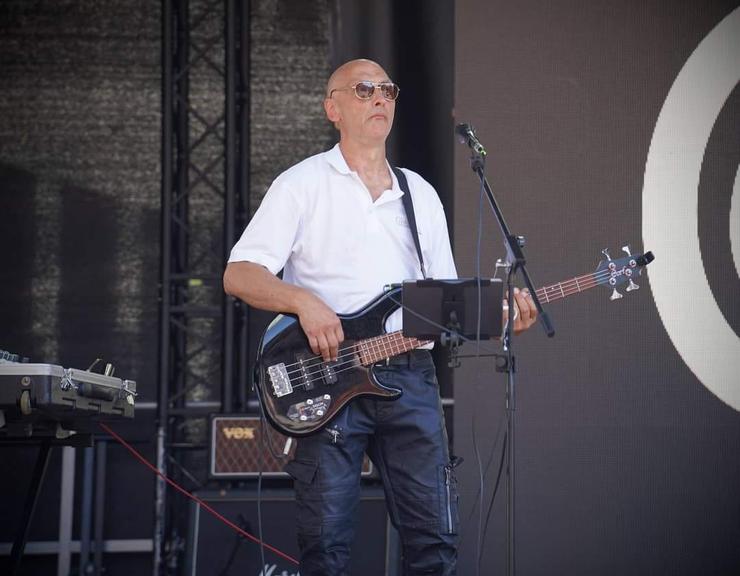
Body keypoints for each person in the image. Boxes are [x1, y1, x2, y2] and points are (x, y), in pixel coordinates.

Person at [223, 58, 537, 576]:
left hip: (409, 378)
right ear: (333, 109)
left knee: (435, 544)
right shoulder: (301, 184)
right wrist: (303, 301)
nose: (379, 98)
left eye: (388, 90)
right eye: (364, 89)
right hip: (327, 375)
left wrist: (502, 318)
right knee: (326, 548)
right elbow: (239, 275)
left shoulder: (419, 194)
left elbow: (447, 306)